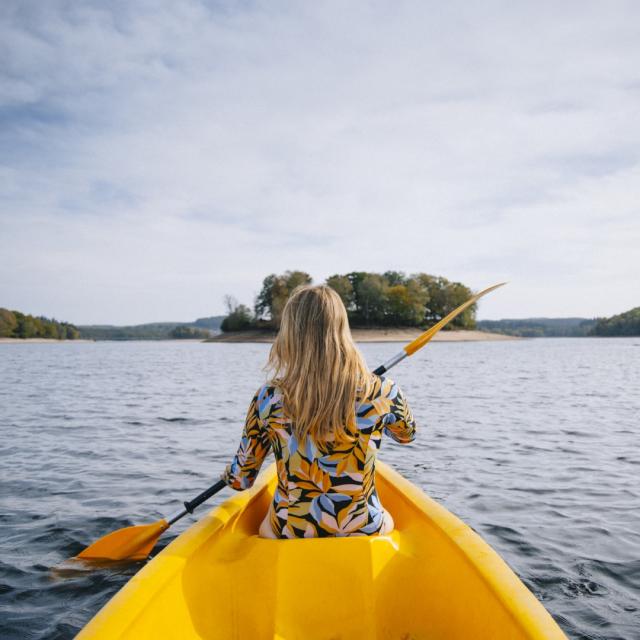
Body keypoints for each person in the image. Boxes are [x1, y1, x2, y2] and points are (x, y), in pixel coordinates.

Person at [222, 284, 416, 538]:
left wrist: (228, 473)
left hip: (291, 531)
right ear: (342, 330)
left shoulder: (268, 397)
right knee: (386, 517)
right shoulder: (383, 391)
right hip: (363, 527)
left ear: (290, 334)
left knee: (267, 524)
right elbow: (406, 435)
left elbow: (241, 480)